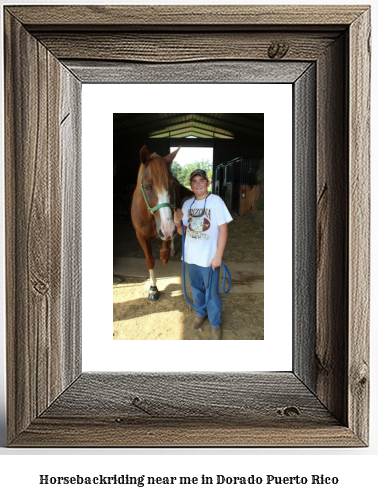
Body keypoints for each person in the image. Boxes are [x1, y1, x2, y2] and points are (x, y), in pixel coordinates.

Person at [174, 169, 233, 340]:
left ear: (207, 183)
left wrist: (218, 256)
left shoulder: (216, 201)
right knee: (196, 289)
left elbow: (224, 230)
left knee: (212, 293)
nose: (198, 184)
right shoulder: (187, 204)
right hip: (190, 257)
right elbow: (182, 232)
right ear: (191, 185)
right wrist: (178, 222)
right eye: (194, 181)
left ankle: (215, 323)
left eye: (201, 180)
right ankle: (201, 314)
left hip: (209, 259)